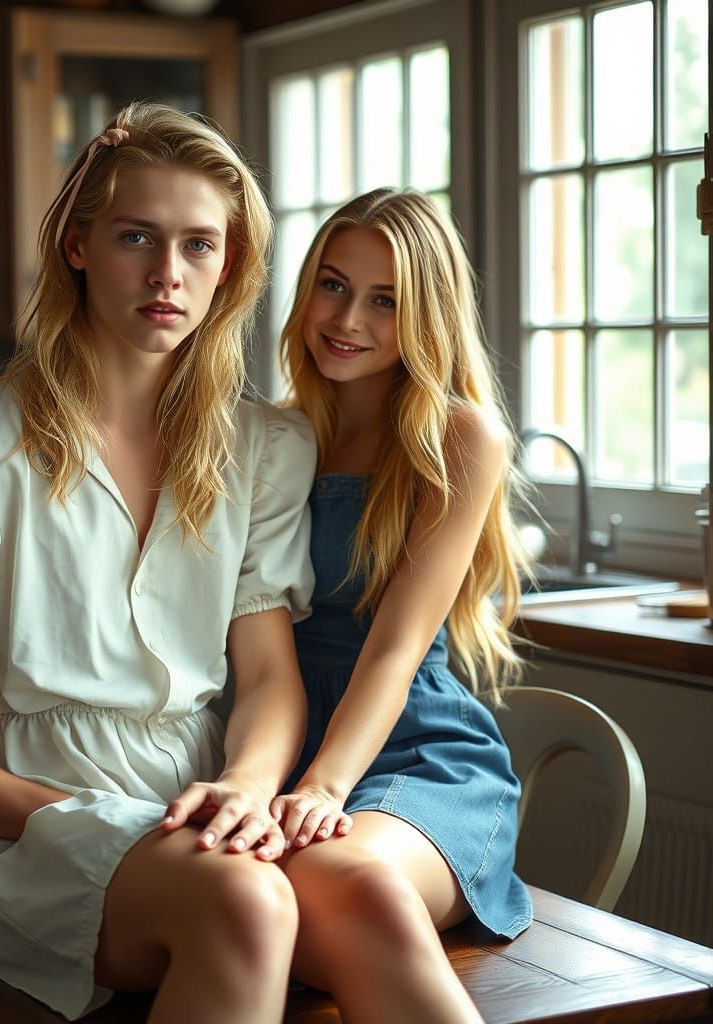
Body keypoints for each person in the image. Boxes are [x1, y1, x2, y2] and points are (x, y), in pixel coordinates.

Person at [0, 102, 317, 1023]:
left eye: (199, 245)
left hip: (199, 811)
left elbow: (266, 677)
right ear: (78, 246)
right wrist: (74, 816)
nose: (168, 273)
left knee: (353, 901)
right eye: (137, 237)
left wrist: (246, 790)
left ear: (230, 266)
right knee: (248, 907)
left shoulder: (259, 451)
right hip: (30, 835)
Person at [273, 186, 534, 1024]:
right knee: (257, 910)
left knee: (343, 880)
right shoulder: (274, 435)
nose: (348, 317)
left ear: (427, 314)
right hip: (274, 747)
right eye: (333, 284)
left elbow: (396, 647)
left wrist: (324, 786)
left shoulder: (458, 436)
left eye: (385, 300)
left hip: (415, 757)